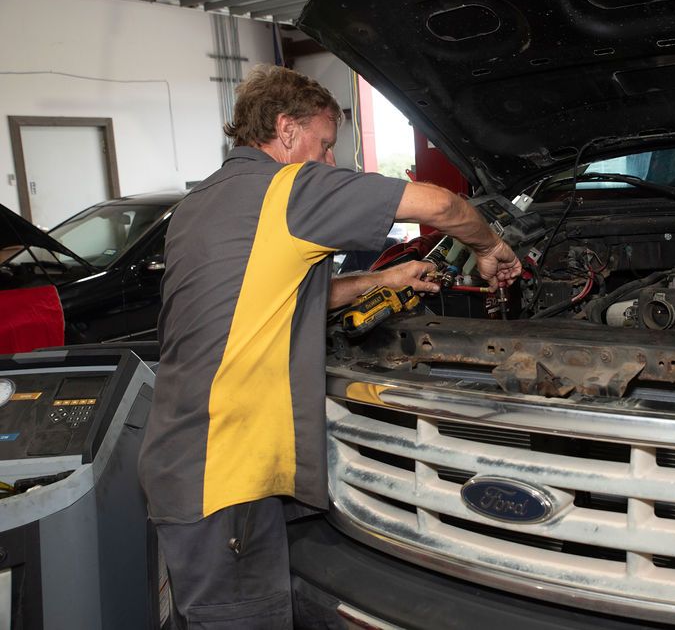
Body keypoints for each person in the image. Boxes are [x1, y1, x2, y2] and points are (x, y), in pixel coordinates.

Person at [137, 64, 521, 628]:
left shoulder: (202, 201)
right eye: (324, 146)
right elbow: (444, 208)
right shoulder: (285, 187)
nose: (331, 163)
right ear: (286, 131)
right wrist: (492, 247)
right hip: (225, 476)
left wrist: (382, 280)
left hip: (184, 458)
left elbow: (269, 295)